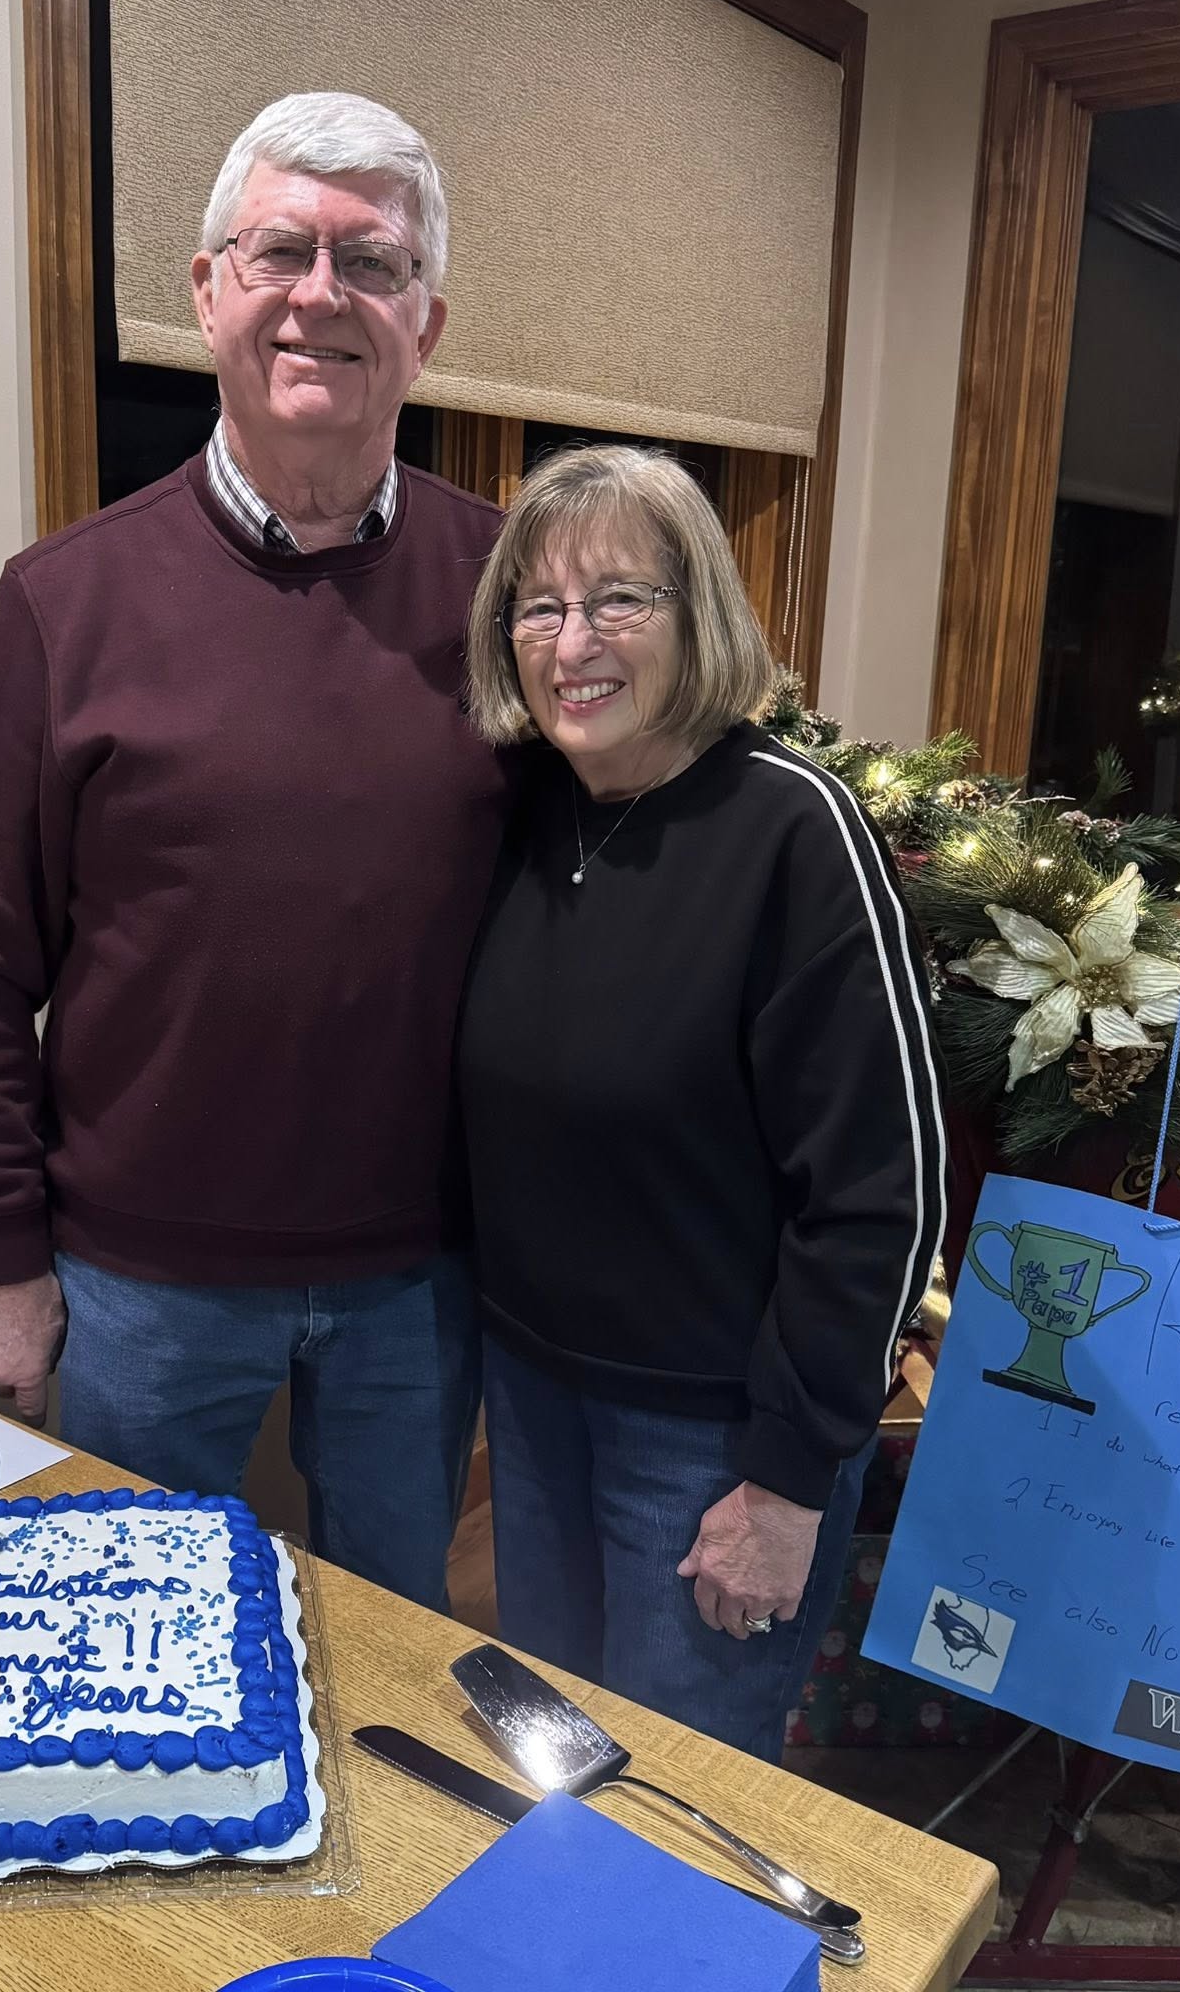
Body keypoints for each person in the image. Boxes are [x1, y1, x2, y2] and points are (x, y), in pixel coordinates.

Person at [0, 94, 510, 1610]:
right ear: (208, 293)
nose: (321, 295)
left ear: (425, 324)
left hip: (425, 1278)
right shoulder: (64, 602)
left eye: (369, 264)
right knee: (120, 1639)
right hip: (138, 1287)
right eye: (280, 251)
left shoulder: (519, 593)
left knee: (399, 1658)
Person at [456, 443, 944, 1756]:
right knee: (563, 1761)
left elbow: (878, 1199)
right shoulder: (528, 816)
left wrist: (787, 1480)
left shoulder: (794, 833)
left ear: (702, 616)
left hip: (716, 1438)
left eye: (620, 598)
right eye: (541, 608)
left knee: (684, 1800)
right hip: (539, 1400)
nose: (574, 643)